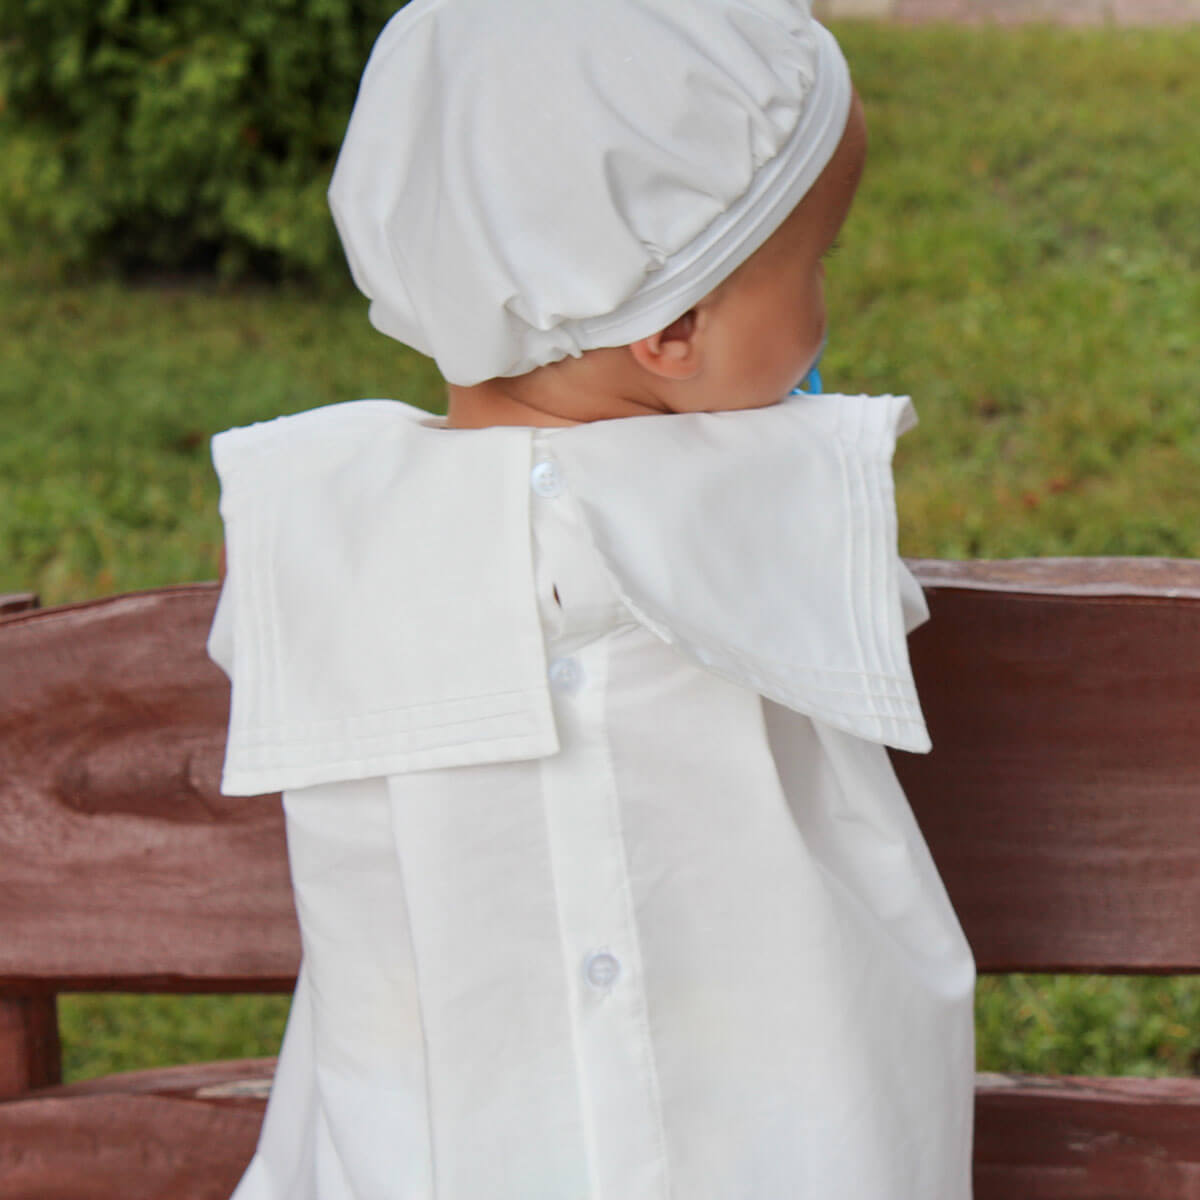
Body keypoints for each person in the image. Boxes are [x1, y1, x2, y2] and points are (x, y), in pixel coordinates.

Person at [208, 1, 976, 1196]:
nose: (827, 303)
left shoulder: (322, 529)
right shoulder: (780, 508)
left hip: (432, 1144)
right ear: (675, 328)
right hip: (784, 1128)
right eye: (814, 263)